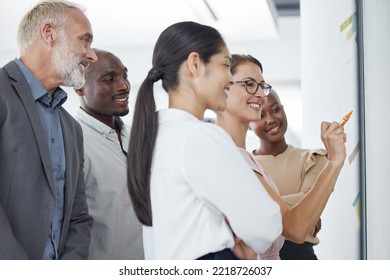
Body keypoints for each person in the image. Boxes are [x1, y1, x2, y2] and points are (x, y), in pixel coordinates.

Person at [127, 21, 282, 260]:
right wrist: (236, 238)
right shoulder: (199, 136)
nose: (230, 80)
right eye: (225, 65)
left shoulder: (153, 135)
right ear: (195, 64)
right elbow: (266, 226)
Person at [215, 54, 346, 260]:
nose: (260, 94)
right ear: (222, 87)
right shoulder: (229, 160)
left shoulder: (242, 160)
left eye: (262, 86)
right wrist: (335, 161)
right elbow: (295, 227)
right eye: (249, 84)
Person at [0, 1, 97, 259]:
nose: (92, 55)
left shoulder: (71, 128)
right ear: (49, 33)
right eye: (84, 41)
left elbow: (78, 216)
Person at [74, 49, 144, 260]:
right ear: (79, 87)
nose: (124, 85)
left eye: (125, 76)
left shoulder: (137, 137)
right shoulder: (74, 142)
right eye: (110, 79)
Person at [249, 89, 326, 260]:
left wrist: (253, 210)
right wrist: (304, 211)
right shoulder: (243, 165)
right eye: (261, 115)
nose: (271, 119)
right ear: (249, 122)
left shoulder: (313, 158)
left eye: (276, 109)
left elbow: (310, 198)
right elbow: (308, 203)